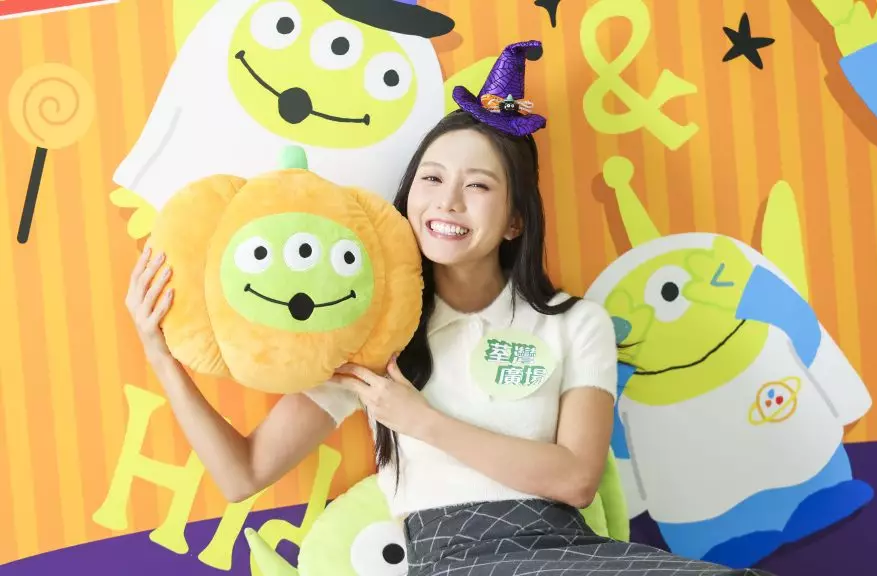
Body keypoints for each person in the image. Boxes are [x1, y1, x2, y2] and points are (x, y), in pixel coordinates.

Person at [125, 39, 775, 576]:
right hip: (450, 560)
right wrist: (161, 352)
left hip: (566, 551)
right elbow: (242, 474)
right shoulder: (375, 333)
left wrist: (418, 420)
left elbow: (576, 479)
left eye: (478, 185)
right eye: (432, 179)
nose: (448, 202)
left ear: (515, 220)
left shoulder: (577, 323)